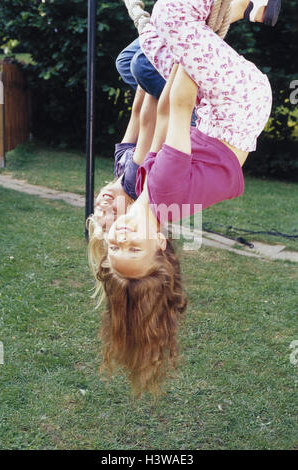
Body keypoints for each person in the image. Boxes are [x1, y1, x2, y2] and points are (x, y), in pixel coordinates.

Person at [88, 0, 280, 397]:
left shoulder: (145, 189)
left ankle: (256, 6)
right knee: (170, 15)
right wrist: (193, 50)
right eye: (133, 245)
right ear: (159, 243)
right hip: (238, 104)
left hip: (221, 116)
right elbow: (178, 106)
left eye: (114, 244)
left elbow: (158, 122)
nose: (121, 234)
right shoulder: (165, 192)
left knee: (151, 44)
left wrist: (178, 52)